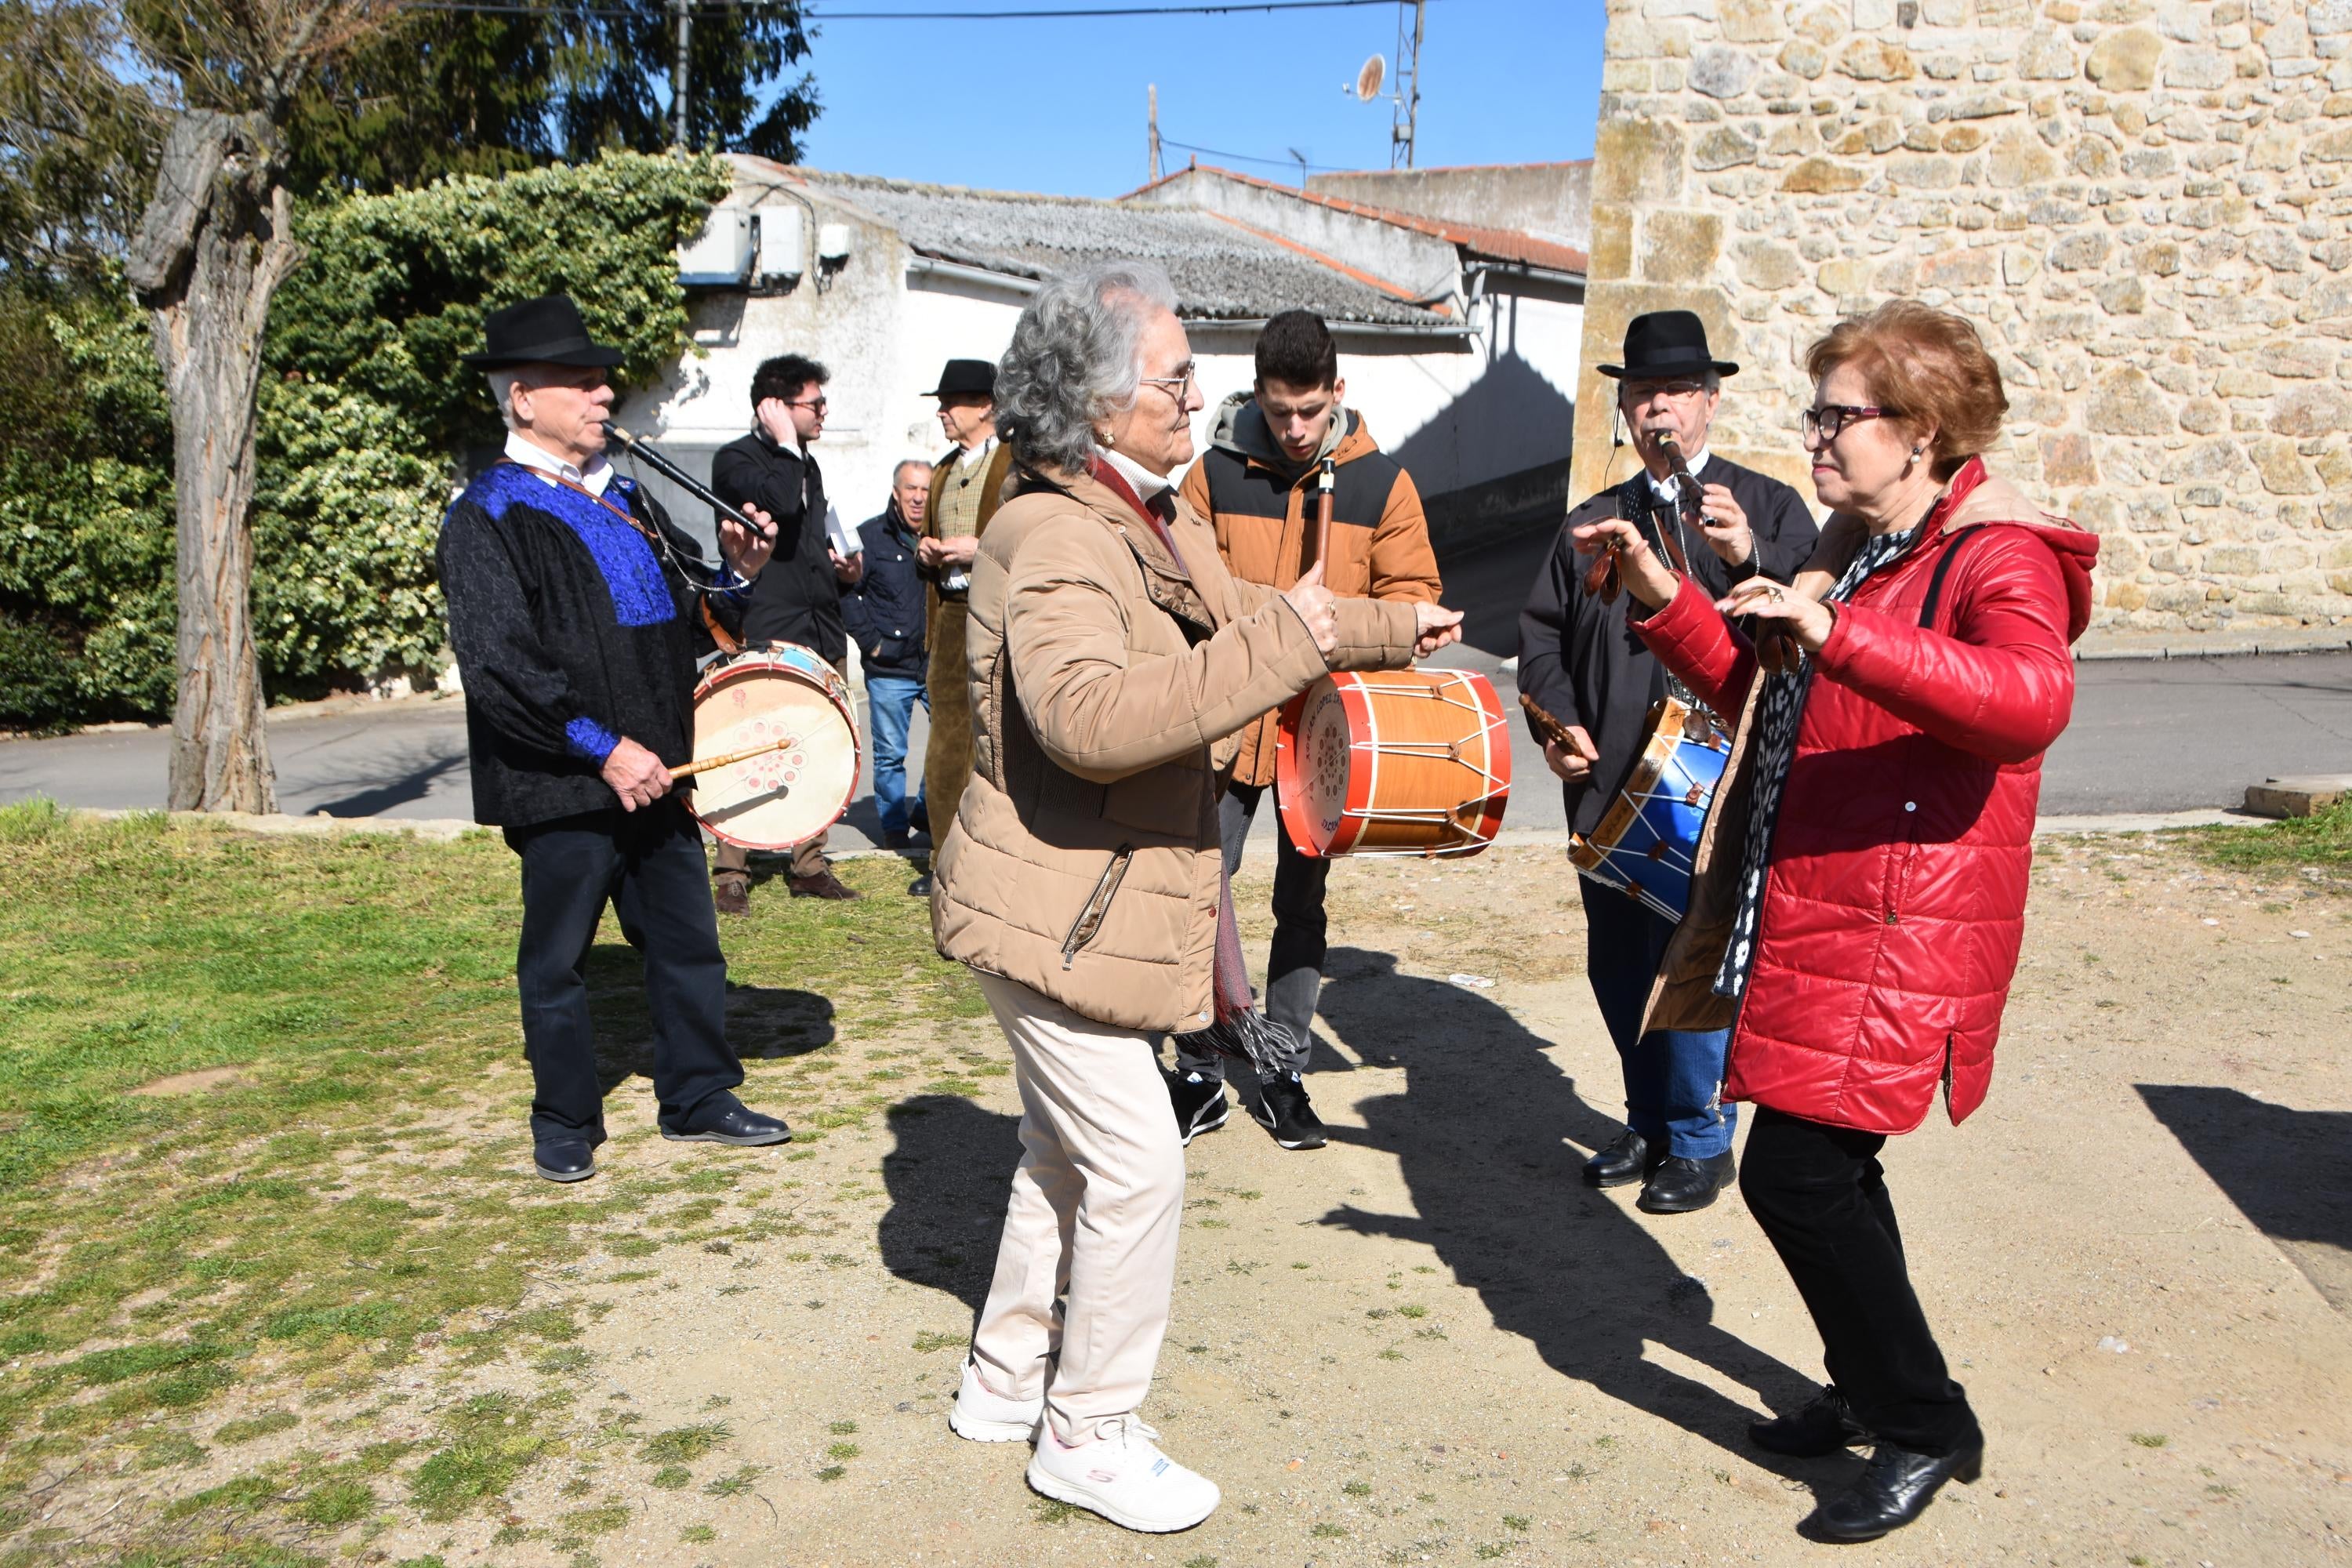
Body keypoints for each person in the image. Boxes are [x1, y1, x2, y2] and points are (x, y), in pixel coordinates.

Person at [930, 262, 1461, 1533]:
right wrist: (1286, 648)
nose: (1196, 395)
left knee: (1064, 1157)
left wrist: (1390, 634)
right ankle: (1087, 1432)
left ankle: (1005, 1385)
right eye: (1173, 378)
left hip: (1079, 913)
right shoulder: (1053, 532)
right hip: (1055, 920)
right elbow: (1089, 720)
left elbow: (1252, 615)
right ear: (1099, 403)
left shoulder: (1149, 511)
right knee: (1137, 1163)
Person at [1575, 300, 2096, 1542]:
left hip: (1897, 917)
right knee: (1827, 1173)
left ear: (1918, 431)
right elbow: (1774, 694)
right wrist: (1664, 595)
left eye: (1837, 416)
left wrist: (1837, 630)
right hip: (1818, 897)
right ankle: (1870, 1388)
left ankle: (1924, 1422)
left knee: (1799, 1175)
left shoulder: (1993, 554)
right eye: (1814, 413)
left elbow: (2031, 700)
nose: (1814, 436)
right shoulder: (1861, 549)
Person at [437, 294, 795, 1183]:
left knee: (687, 943)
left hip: (661, 769)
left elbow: (691, 615)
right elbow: (501, 665)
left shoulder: (628, 495)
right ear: (523, 398)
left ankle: (699, 1095)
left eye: (605, 381)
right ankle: (563, 1116)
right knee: (555, 960)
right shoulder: (485, 513)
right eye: (582, 382)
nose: (605, 394)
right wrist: (602, 748)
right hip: (566, 779)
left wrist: (739, 574)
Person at [1519, 309, 1818, 1215]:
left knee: (1692, 958)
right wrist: (1554, 723)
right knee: (1616, 965)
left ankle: (1699, 1137)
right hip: (1609, 788)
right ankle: (1647, 1118)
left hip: (1714, 792)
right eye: (1643, 393)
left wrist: (1746, 557)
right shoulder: (1590, 522)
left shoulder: (1767, 508)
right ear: (1624, 405)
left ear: (1711, 403)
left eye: (1678, 393)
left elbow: (1810, 627)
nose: (1660, 411)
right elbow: (1538, 639)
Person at [1167, 309, 1442, 1151]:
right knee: (1194, 892)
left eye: (1310, 412)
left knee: (1302, 903)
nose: (1293, 429)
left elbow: (1414, 602)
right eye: (1279, 411)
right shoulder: (1210, 474)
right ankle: (1201, 1069)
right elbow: (1182, 589)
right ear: (1257, 395)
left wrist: (1342, 639)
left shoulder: (1383, 485)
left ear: (1339, 394)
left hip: (1324, 737)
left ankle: (1283, 1065)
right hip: (1224, 726)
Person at [710, 354, 864, 909]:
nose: (824, 412)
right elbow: (771, 505)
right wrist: (782, 444)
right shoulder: (737, 460)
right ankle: (732, 870)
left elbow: (807, 540)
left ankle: (809, 865)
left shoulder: (807, 464)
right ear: (775, 407)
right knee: (748, 745)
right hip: (767, 624)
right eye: (814, 403)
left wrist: (844, 573)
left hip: (820, 625)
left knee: (820, 743)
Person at [915, 357, 1013, 897]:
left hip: (1002, 614)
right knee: (947, 739)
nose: (942, 412)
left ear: (986, 408)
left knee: (1001, 737)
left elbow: (1037, 531)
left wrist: (984, 549)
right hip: (952, 615)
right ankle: (944, 860)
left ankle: (997, 857)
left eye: (951, 403)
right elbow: (924, 542)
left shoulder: (1016, 463)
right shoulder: (942, 472)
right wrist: (926, 551)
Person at [844, 459, 931, 853]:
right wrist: (872, 643)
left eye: (925, 489)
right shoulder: (870, 537)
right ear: (896, 493)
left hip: (934, 663)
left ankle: (927, 812)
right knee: (891, 754)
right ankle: (895, 828)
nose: (918, 498)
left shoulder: (940, 534)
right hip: (889, 669)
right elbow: (846, 592)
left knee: (951, 742)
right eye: (910, 489)